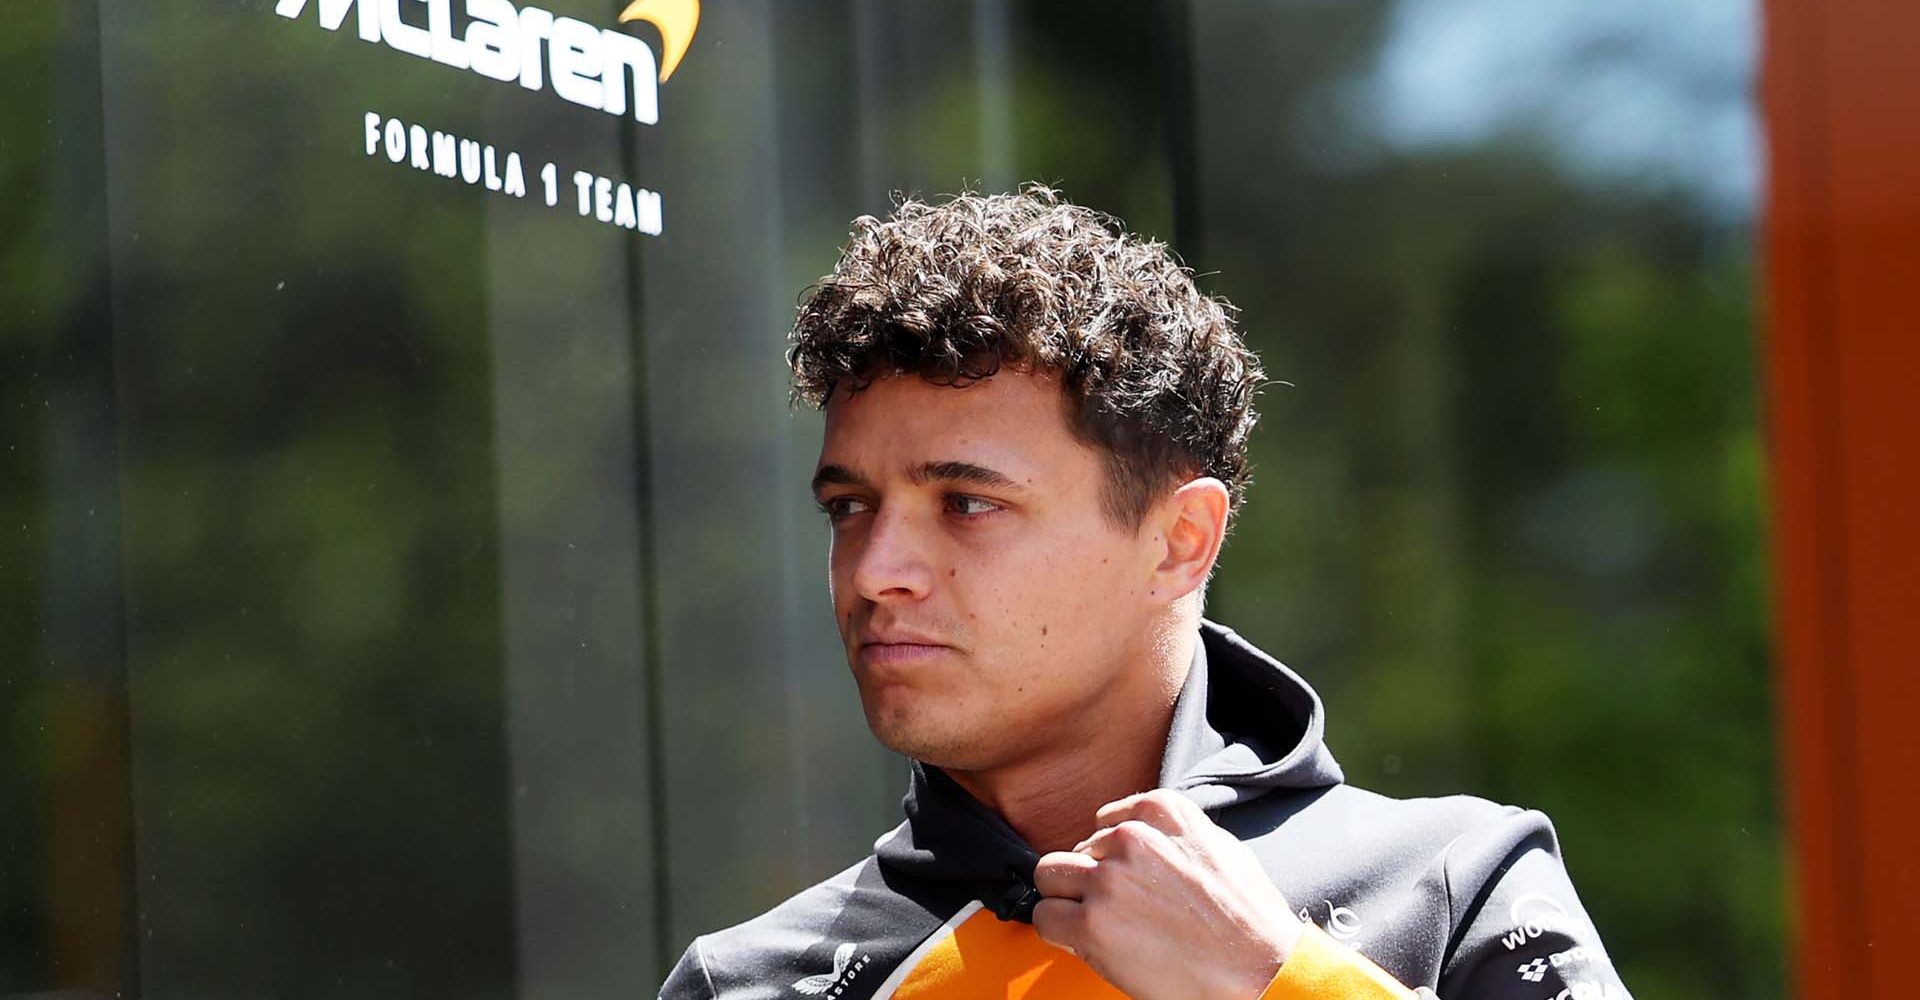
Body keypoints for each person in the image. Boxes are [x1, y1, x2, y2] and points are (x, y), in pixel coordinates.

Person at [657, 186, 1633, 1000]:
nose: (875, 572)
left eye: (965, 502)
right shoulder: (744, 982)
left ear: (1179, 541)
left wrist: (1275, 982)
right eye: (851, 507)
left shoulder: (1456, 888)